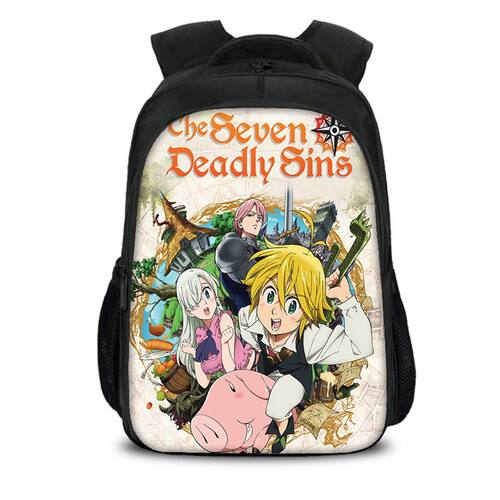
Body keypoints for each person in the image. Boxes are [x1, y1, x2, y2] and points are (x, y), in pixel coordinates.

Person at [238, 242, 373, 453]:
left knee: (277, 404)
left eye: (291, 305)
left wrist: (347, 301)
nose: (275, 312)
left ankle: (282, 432)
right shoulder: (253, 317)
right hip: (262, 375)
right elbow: (245, 323)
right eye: (270, 296)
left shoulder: (311, 338)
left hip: (293, 379)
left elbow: (361, 346)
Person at [176, 268, 254, 389]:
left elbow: (230, 368)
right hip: (235, 383)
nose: (204, 304)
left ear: (214, 293)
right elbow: (204, 382)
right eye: (195, 302)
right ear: (189, 311)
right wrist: (194, 353)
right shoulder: (202, 335)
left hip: (249, 371)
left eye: (206, 293)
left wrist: (225, 342)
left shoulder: (224, 320)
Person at [215, 199, 267, 312]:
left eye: (259, 217)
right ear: (240, 223)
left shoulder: (258, 249)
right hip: (252, 310)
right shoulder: (235, 248)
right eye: (250, 215)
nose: (257, 219)